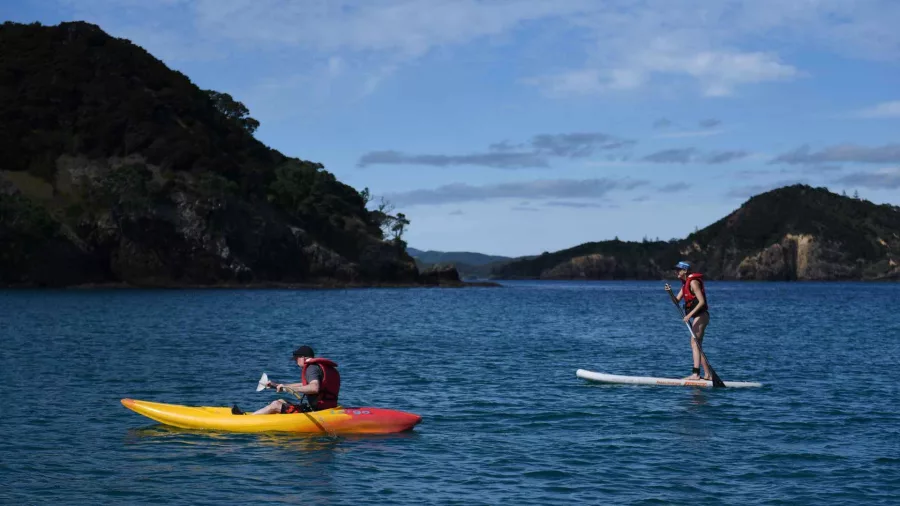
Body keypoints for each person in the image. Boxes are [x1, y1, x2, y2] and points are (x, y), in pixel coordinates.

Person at [232, 345, 341, 415]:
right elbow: (304, 384)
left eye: (296, 359)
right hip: (326, 409)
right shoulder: (319, 367)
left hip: (318, 412)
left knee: (275, 404)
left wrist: (288, 388)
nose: (295, 362)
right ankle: (252, 415)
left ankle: (247, 419)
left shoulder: (311, 368)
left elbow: (314, 387)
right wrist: (279, 385)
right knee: (281, 401)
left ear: (303, 357)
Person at [664, 260, 711, 380]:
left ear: (685, 271)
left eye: (678, 270)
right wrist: (670, 293)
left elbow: (701, 302)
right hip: (697, 316)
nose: (676, 272)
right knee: (697, 344)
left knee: (694, 343)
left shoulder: (693, 282)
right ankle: (707, 374)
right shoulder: (685, 284)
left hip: (702, 315)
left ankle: (696, 374)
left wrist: (689, 316)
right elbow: (676, 302)